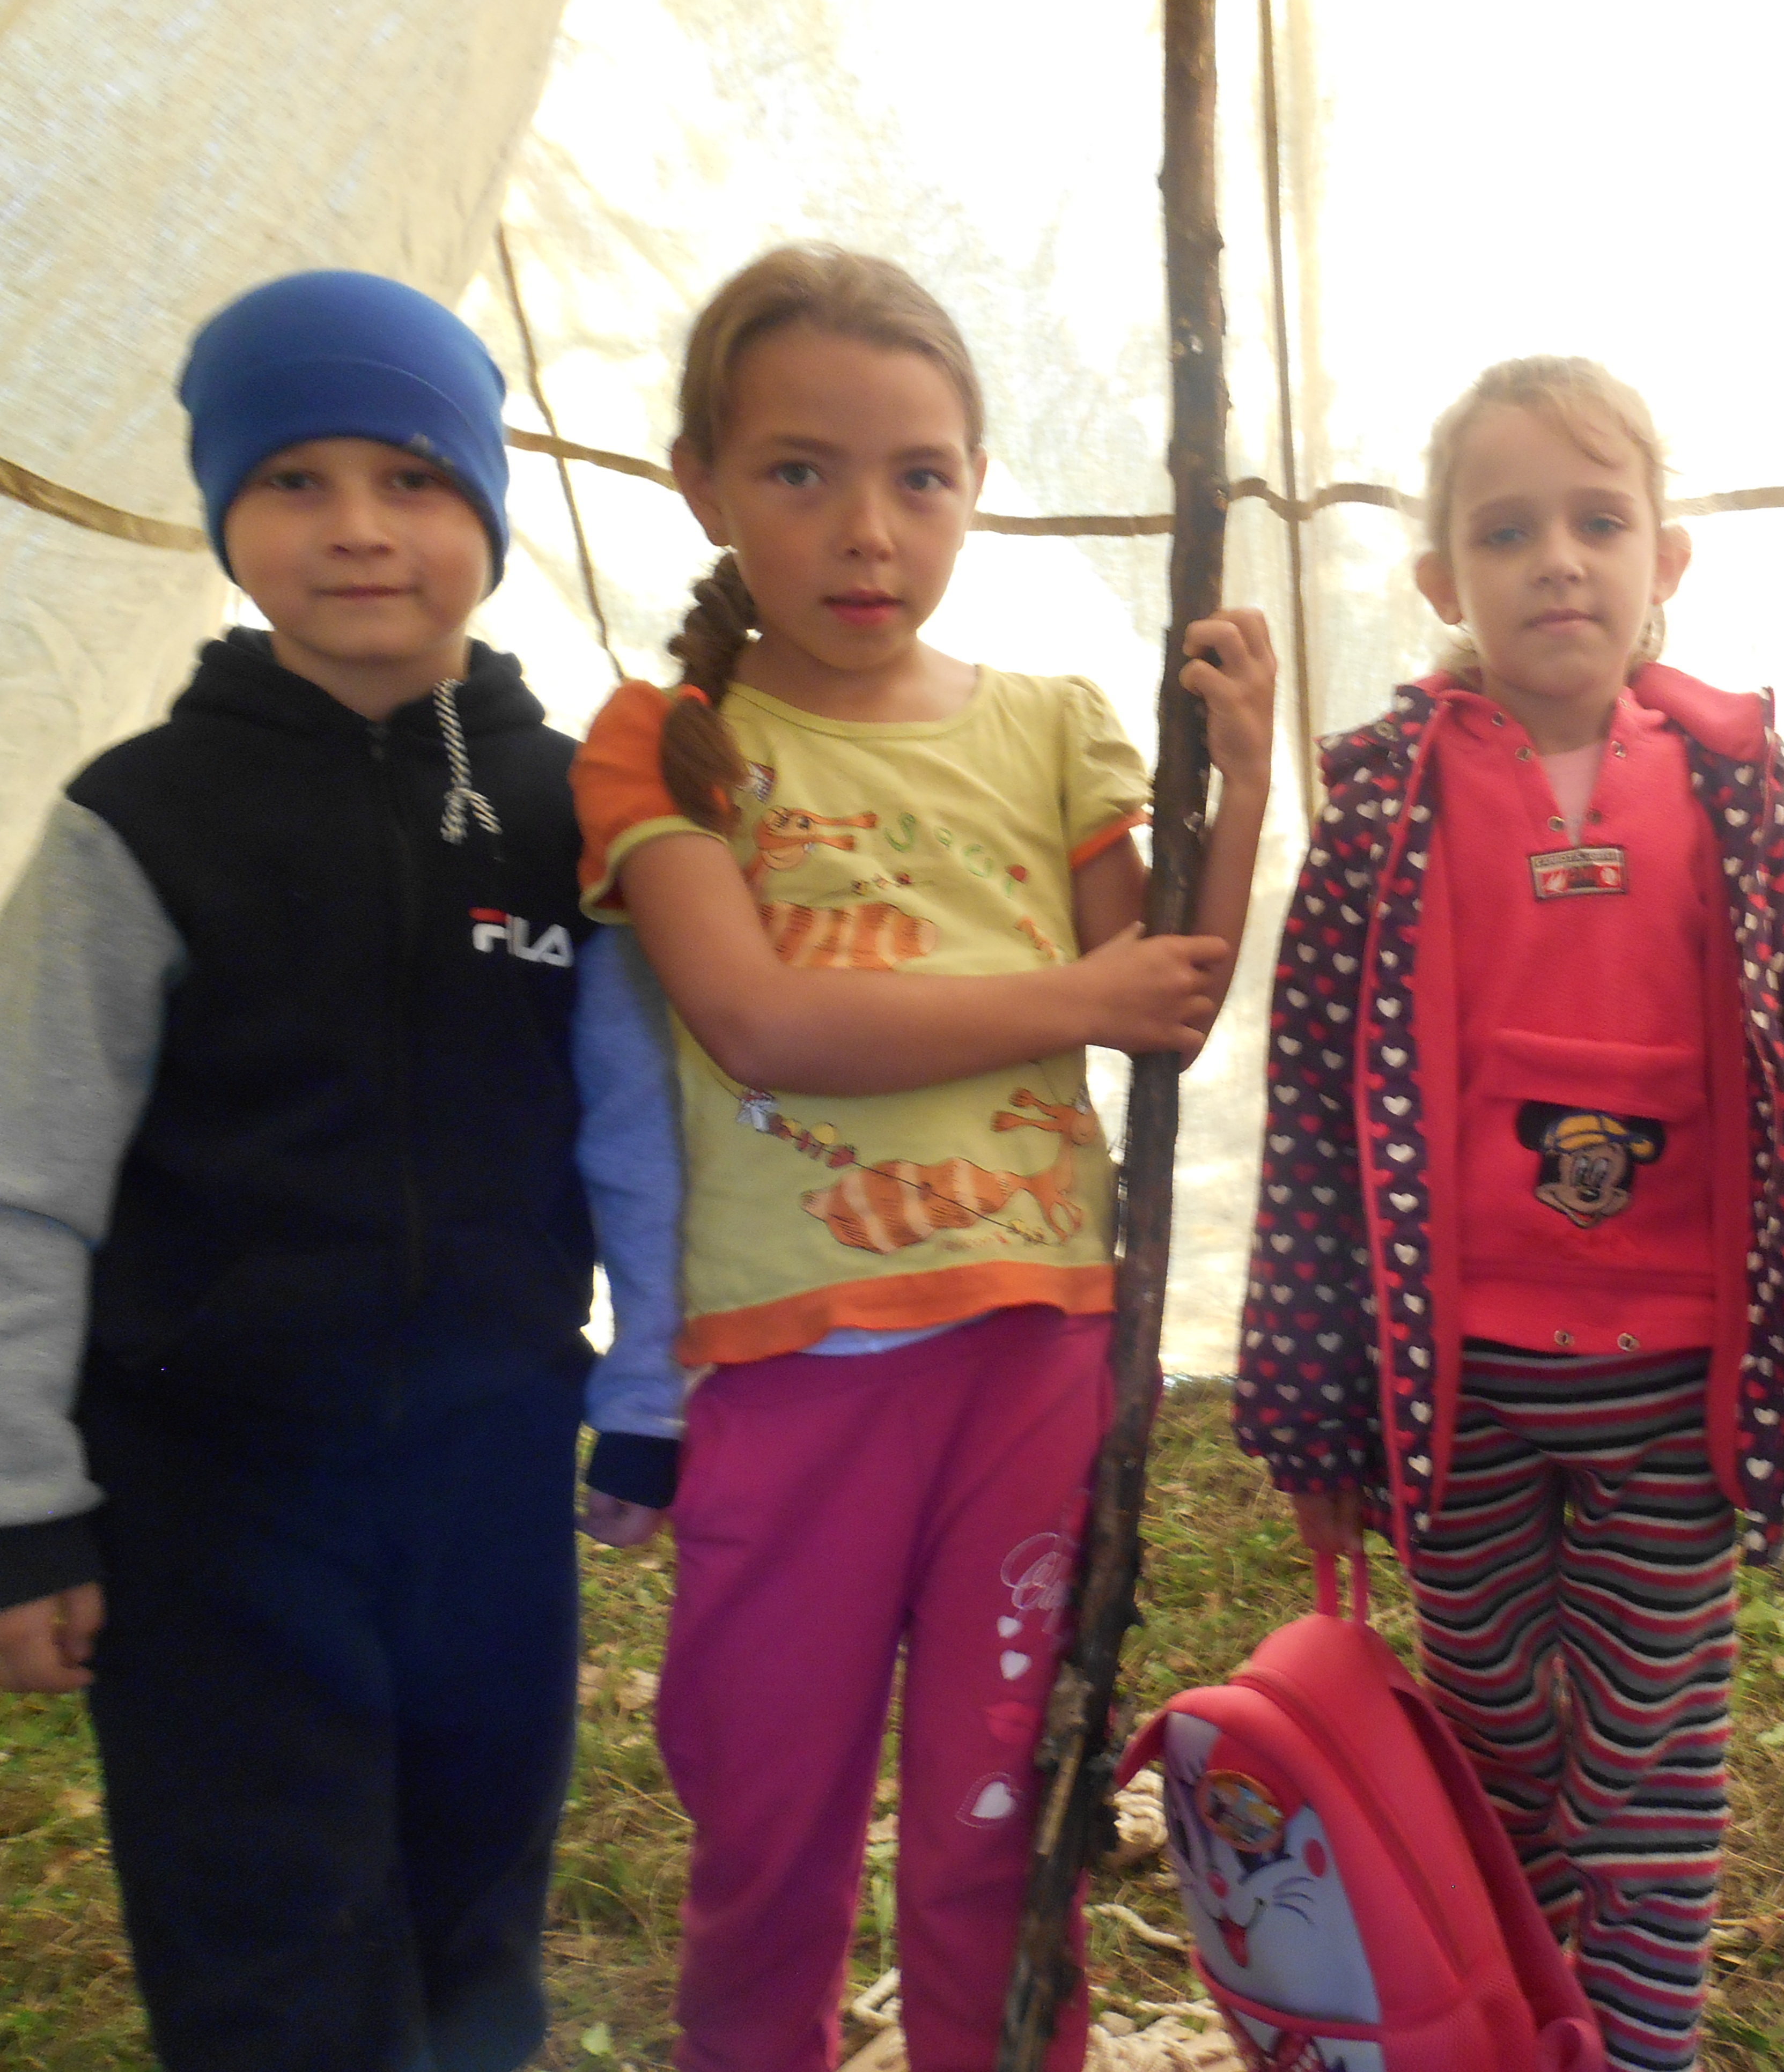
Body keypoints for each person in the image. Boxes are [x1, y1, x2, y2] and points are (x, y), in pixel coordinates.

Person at [569, 243, 1276, 2072]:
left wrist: (1247, 775)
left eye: (921, 477)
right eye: (800, 471)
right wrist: (1072, 995)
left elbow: (1167, 1004)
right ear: (702, 485)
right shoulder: (668, 744)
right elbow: (761, 1023)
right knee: (769, 1829)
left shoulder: (1049, 726)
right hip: (789, 1374)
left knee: (998, 1826)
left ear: (975, 488)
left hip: (1027, 1363)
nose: (866, 531)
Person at [0, 270, 682, 2070]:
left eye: (413, 478)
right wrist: (25, 1502)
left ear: (488, 512)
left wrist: (650, 1387)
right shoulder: (138, 820)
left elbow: (638, 1133)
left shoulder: (578, 816)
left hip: (489, 1463)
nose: (360, 528)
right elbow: (25, 1178)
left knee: (479, 1882)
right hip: (210, 1489)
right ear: (224, 512)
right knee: (260, 1917)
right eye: (294, 479)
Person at [1234, 356, 1784, 2072]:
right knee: (1492, 1754)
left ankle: (1640, 2050)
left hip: (1674, 1388)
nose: (1557, 561)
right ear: (1440, 579)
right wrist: (1312, 1404)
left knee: (1652, 1765)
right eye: (1507, 530)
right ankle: (1527, 2031)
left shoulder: (1735, 788)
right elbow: (1315, 1108)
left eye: (1599, 522)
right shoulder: (1382, 804)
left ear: (1665, 557)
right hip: (1461, 1394)